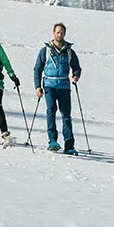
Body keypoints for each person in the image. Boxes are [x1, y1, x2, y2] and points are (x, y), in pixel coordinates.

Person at [33, 22, 83, 155]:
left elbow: (77, 67)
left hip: (64, 86)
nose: (59, 34)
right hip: (49, 85)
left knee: (66, 115)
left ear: (64, 34)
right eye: (57, 32)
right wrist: (38, 86)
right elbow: (38, 69)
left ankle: (69, 145)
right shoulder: (45, 51)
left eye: (62, 32)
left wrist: (76, 76)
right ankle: (52, 141)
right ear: (53, 33)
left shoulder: (69, 51)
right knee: (51, 111)